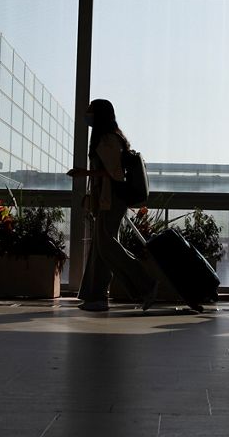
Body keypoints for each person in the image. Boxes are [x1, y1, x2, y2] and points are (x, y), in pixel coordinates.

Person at [66, 99, 158, 312]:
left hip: (112, 199)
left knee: (107, 244)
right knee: (100, 247)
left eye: (90, 110)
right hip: (106, 199)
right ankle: (95, 296)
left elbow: (114, 172)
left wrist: (84, 173)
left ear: (99, 115)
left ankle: (146, 283)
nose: (87, 114)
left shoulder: (108, 139)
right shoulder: (110, 137)